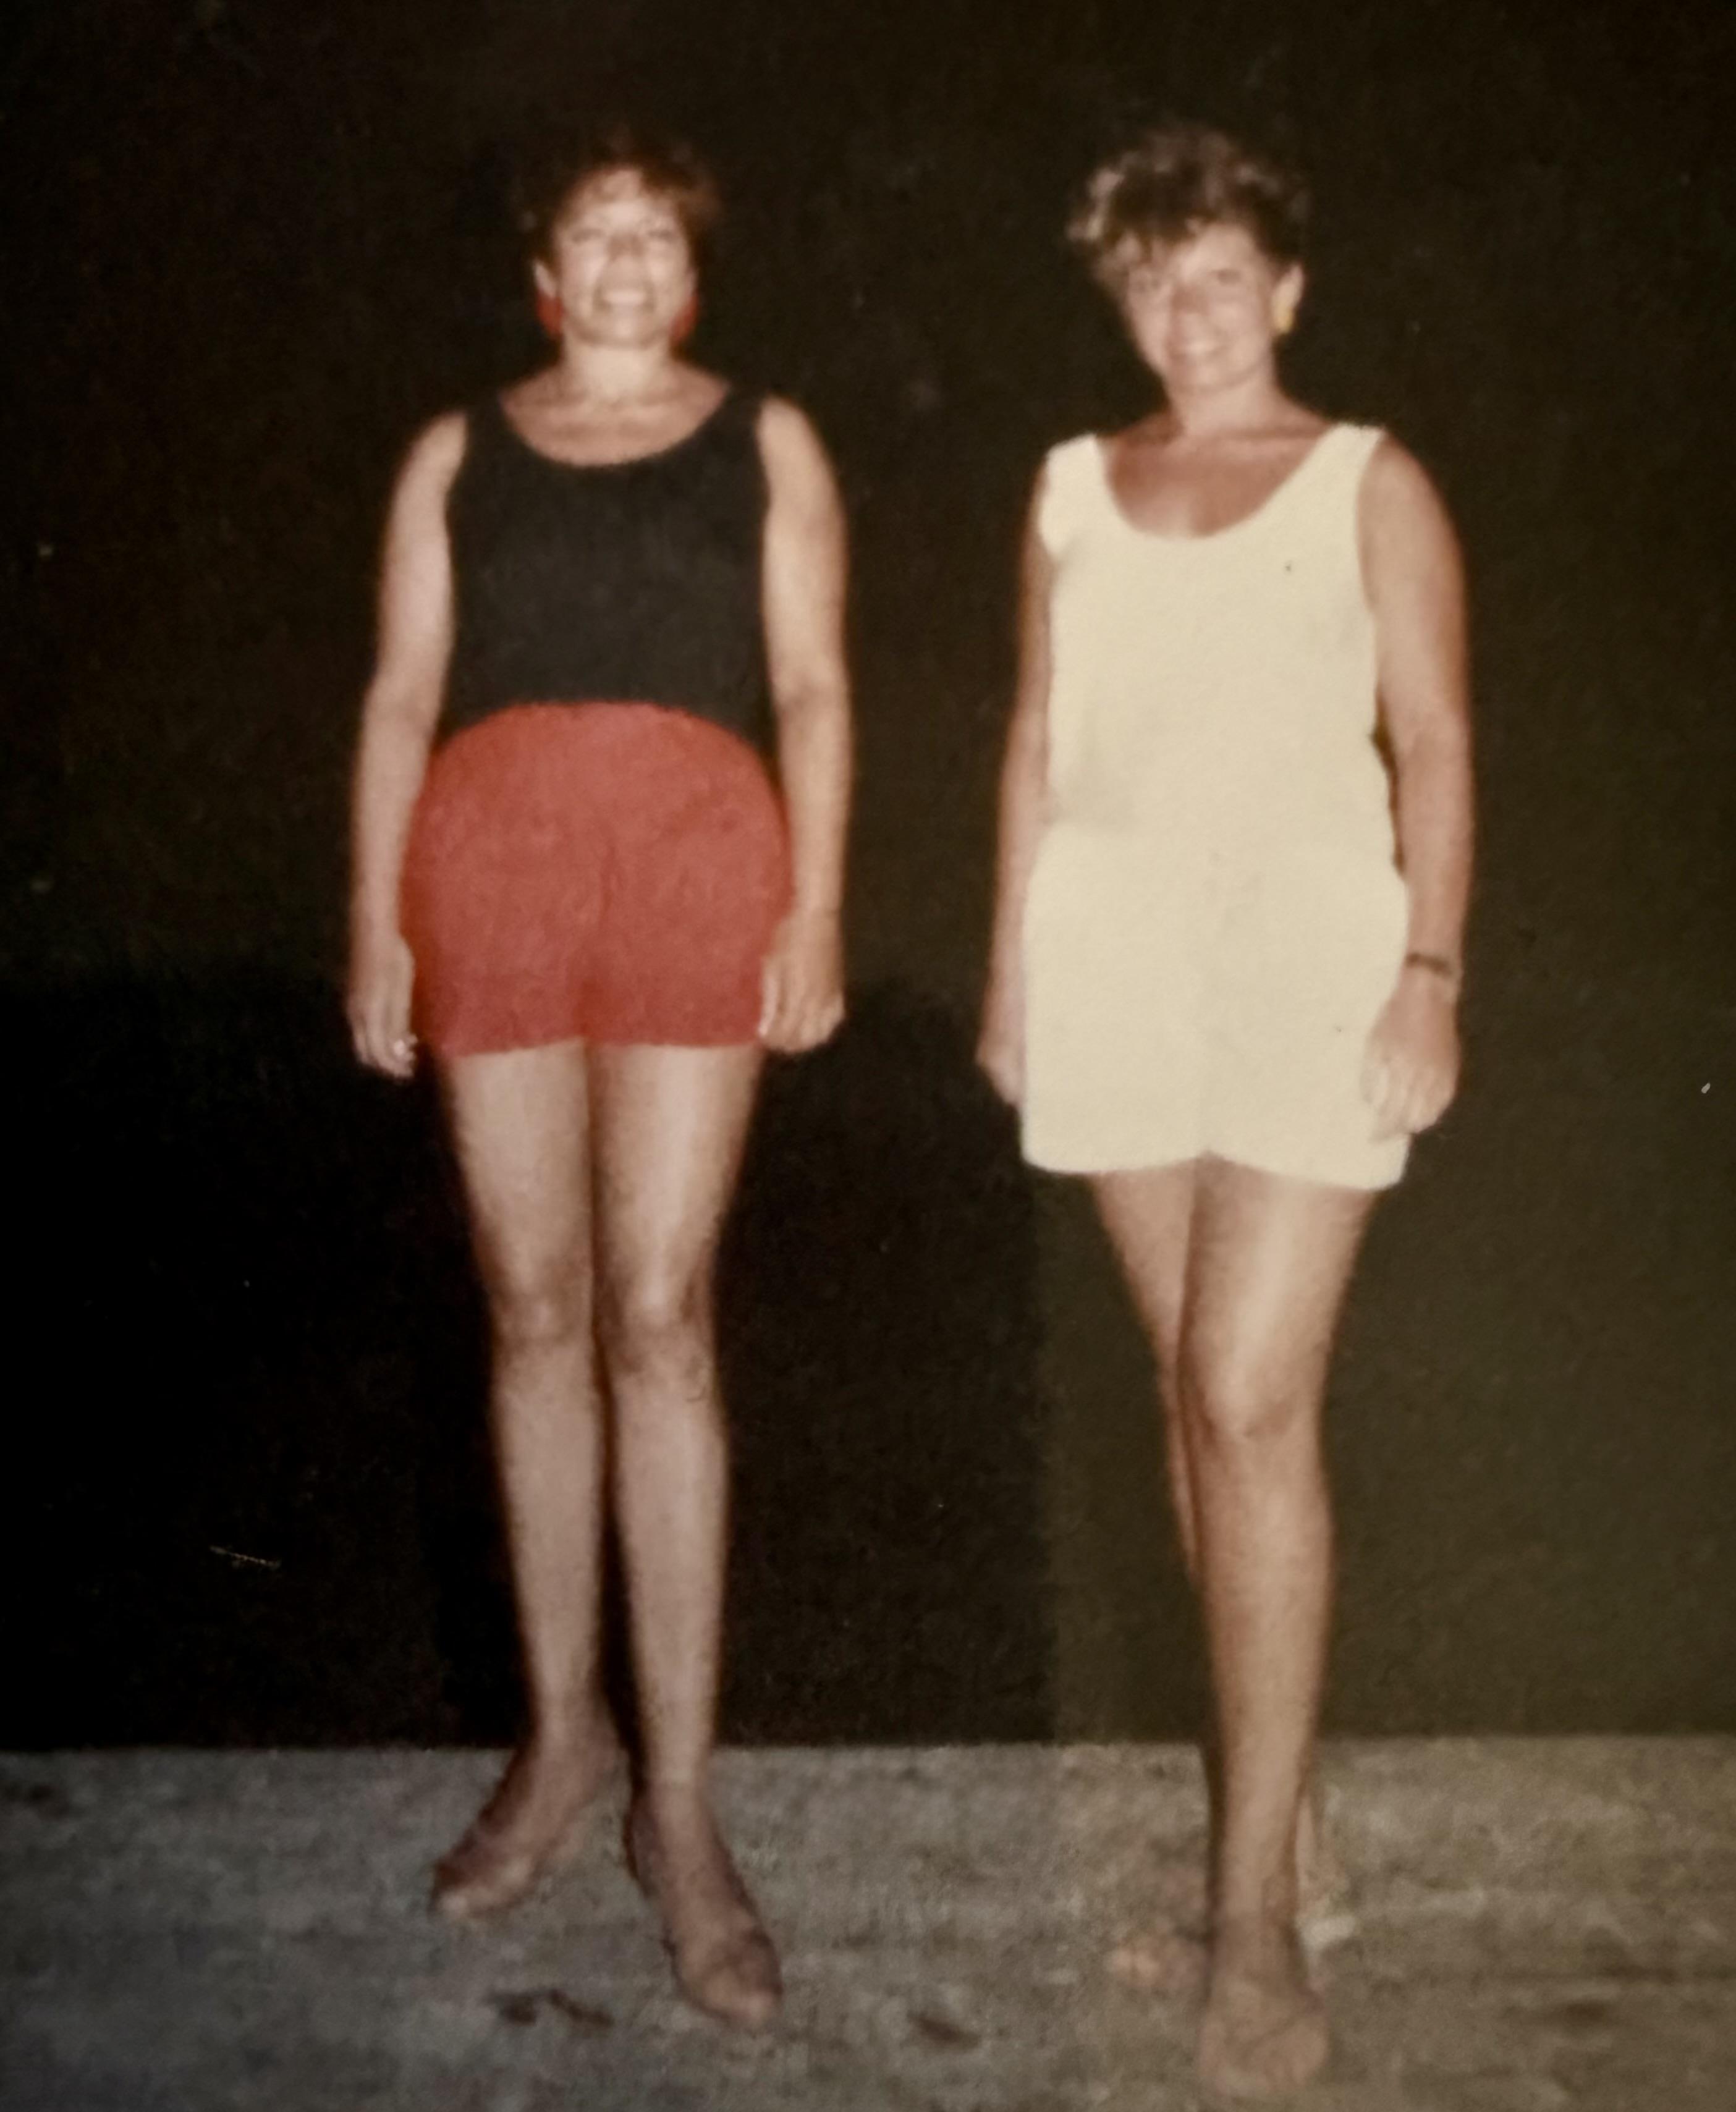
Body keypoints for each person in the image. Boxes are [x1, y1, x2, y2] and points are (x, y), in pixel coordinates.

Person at [979, 124, 1473, 2097]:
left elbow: (1433, 736)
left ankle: (1249, 1917)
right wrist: (1008, 970)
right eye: (1146, 284)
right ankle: (1296, 1835)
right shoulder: (1067, 487)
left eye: (1214, 278)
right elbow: (1035, 737)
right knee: (1193, 1398)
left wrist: (1430, 969)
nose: (1181, 316)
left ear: (1283, 288)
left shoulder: (1368, 478)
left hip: (1306, 955)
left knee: (1251, 1397)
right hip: (1110, 955)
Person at [346, 121, 851, 2030]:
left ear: (688, 276)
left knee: (660, 1309)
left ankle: (681, 1802)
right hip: (489, 857)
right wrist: (377, 918)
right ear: (547, 277)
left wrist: (814, 903)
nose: (626, 255)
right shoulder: (454, 452)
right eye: (594, 230)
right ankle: (560, 1739)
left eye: (656, 232)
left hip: (700, 854)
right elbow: (402, 692)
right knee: (533, 1302)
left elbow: (813, 686)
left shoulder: (767, 438)